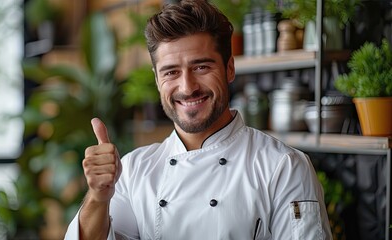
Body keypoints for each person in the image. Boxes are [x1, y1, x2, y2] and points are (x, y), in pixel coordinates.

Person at [65, 0, 332, 239]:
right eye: (170, 72)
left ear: (229, 68)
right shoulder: (134, 171)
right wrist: (99, 198)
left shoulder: (282, 167)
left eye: (201, 67)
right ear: (157, 80)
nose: (187, 87)